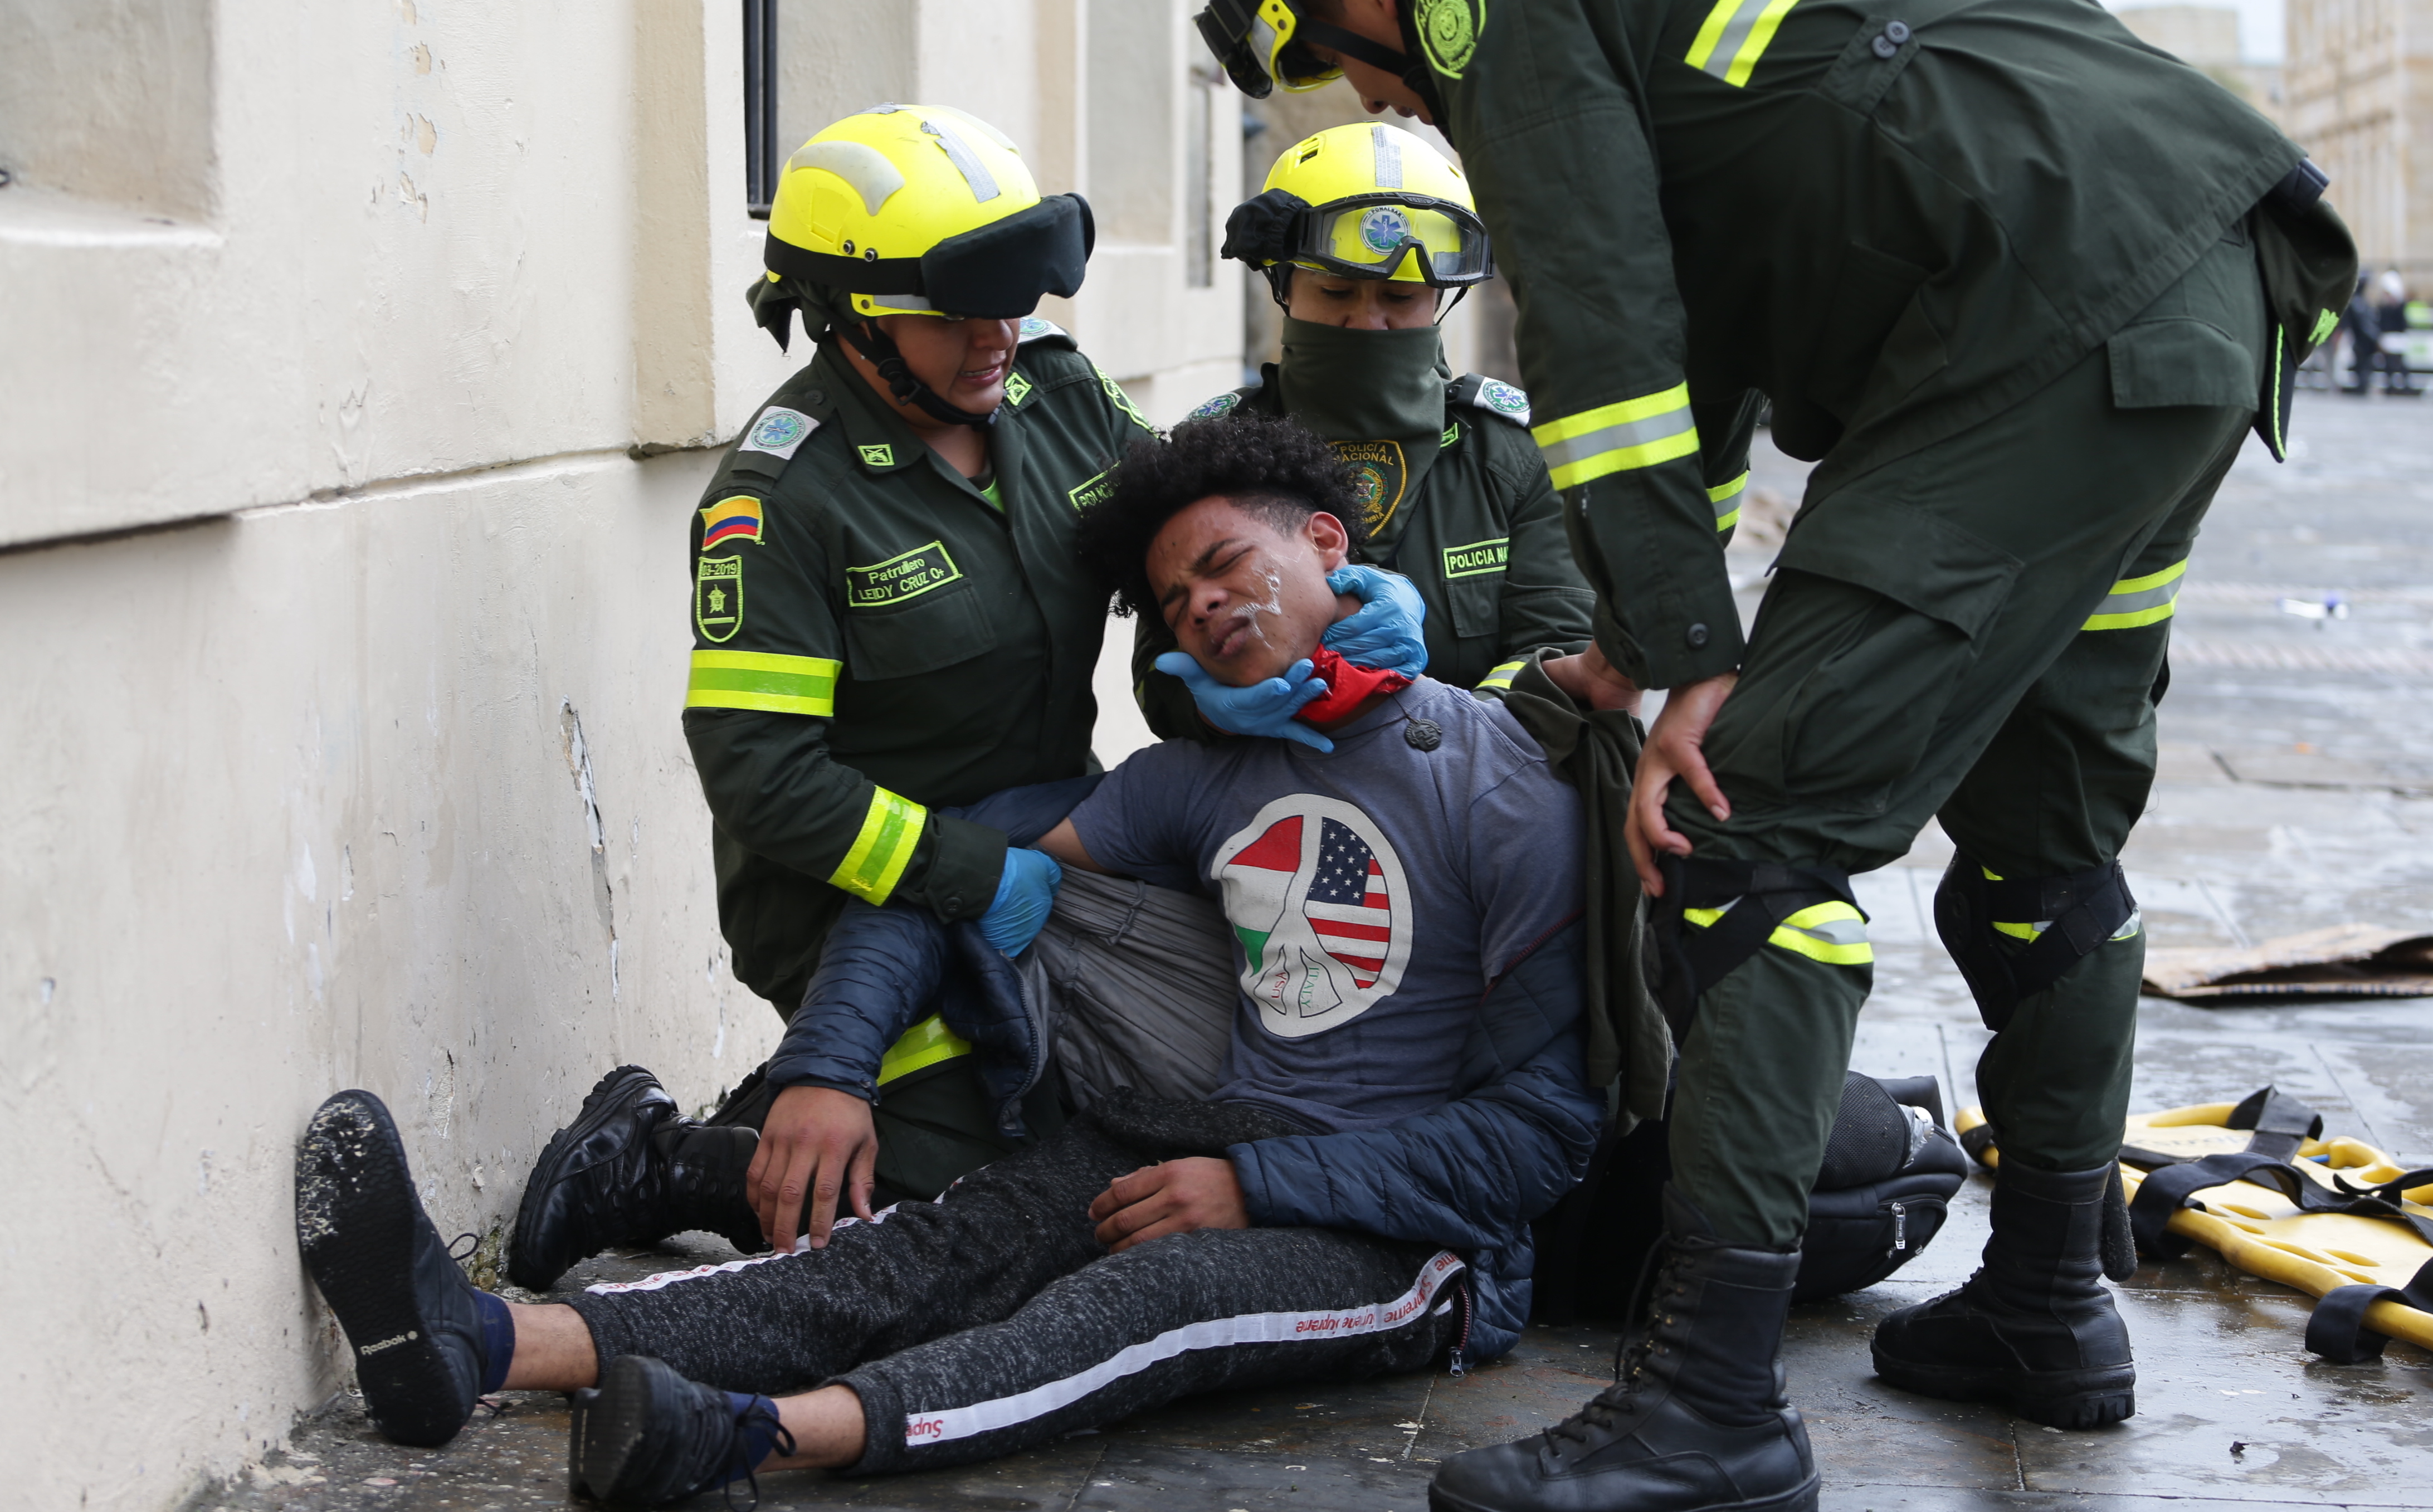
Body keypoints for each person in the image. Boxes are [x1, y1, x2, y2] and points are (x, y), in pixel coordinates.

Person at [1191, 0, 2357, 1511]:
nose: (1391, 106)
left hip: (2041, 307)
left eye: (1352, 67)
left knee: (1741, 833)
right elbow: (1704, 337)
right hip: (2181, 288)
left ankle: (1710, 1402)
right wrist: (1631, 635)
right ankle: (2045, 1302)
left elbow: (1594, 324)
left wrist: (1686, 669)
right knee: (2046, 846)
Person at [290, 414, 1602, 1509]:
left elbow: (1539, 1135)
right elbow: (943, 864)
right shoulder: (1197, 780)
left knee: (1142, 1302)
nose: (1200, 603)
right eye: (1171, 597)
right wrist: (830, 1060)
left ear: (1325, 541)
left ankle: (751, 1432)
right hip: (1201, 1133)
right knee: (926, 1250)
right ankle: (481, 1336)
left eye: (1221, 562)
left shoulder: (1495, 776)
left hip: (1417, 1243)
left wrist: (1261, 1181)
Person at [506, 108, 1440, 1294]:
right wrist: (970, 873)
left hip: (1058, 843)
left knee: (1171, 1120)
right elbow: (761, 775)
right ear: (851, 316)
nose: (1000, 335)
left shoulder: (1051, 397)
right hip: (867, 893)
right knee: (977, 1212)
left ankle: (815, 1098)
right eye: (959, 313)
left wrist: (1327, 602)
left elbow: (1188, 548)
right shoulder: (782, 504)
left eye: (1015, 301)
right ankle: (652, 1165)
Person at [1143, 120, 1633, 750]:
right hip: (1268, 809)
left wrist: (1442, 730)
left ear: (1440, 300)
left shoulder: (1510, 451)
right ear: (1284, 286)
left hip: (1470, 804)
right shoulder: (1211, 456)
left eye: (1400, 297)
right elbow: (1155, 680)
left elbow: (1562, 647)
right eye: (1336, 289)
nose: (1367, 322)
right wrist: (1215, 709)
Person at [2375, 269, 2414, 393]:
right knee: (2388, 364)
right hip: (2388, 337)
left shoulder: (2399, 307)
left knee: (2400, 363)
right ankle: (2391, 385)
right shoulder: (2384, 308)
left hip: (2397, 338)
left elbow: (2403, 323)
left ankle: (2405, 386)